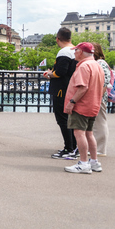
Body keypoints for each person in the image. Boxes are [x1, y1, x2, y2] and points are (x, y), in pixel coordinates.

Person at [63, 42, 105, 174]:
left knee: (79, 134)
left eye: (75, 51)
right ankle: (94, 161)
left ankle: (83, 163)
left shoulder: (84, 66)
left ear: (80, 52)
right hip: (93, 104)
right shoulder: (97, 65)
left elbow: (83, 87)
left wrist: (72, 102)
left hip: (81, 105)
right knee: (89, 134)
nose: (74, 53)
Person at [43, 28, 77, 160]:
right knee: (71, 120)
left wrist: (50, 74)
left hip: (61, 90)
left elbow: (61, 72)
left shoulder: (64, 52)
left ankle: (68, 148)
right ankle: (74, 147)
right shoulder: (76, 51)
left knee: (62, 120)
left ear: (58, 39)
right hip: (71, 88)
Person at [92, 43, 112, 156]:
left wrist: (98, 97)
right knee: (98, 123)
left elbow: (105, 81)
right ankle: (98, 148)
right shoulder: (100, 63)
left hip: (99, 97)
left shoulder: (100, 63)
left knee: (100, 122)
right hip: (99, 97)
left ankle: (100, 149)